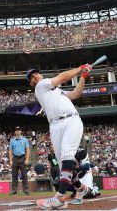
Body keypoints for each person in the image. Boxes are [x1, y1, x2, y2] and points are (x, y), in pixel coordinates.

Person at [27, 64, 92, 210]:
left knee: (68, 155)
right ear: (32, 83)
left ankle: (60, 197)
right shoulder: (41, 86)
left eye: (36, 74)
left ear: (40, 74)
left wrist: (83, 77)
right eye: (32, 77)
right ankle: (81, 189)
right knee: (64, 165)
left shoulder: (58, 91)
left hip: (71, 120)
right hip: (55, 125)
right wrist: (79, 68)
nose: (35, 76)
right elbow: (62, 77)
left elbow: (75, 94)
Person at [9, 126, 30, 195]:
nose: (17, 131)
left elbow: (28, 150)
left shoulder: (25, 140)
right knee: (14, 175)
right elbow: (10, 151)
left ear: (21, 131)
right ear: (15, 132)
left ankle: (26, 190)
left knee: (24, 175)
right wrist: (11, 160)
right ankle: (14, 190)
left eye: (19, 130)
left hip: (22, 157)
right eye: (16, 130)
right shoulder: (12, 141)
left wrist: (27, 159)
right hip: (15, 158)